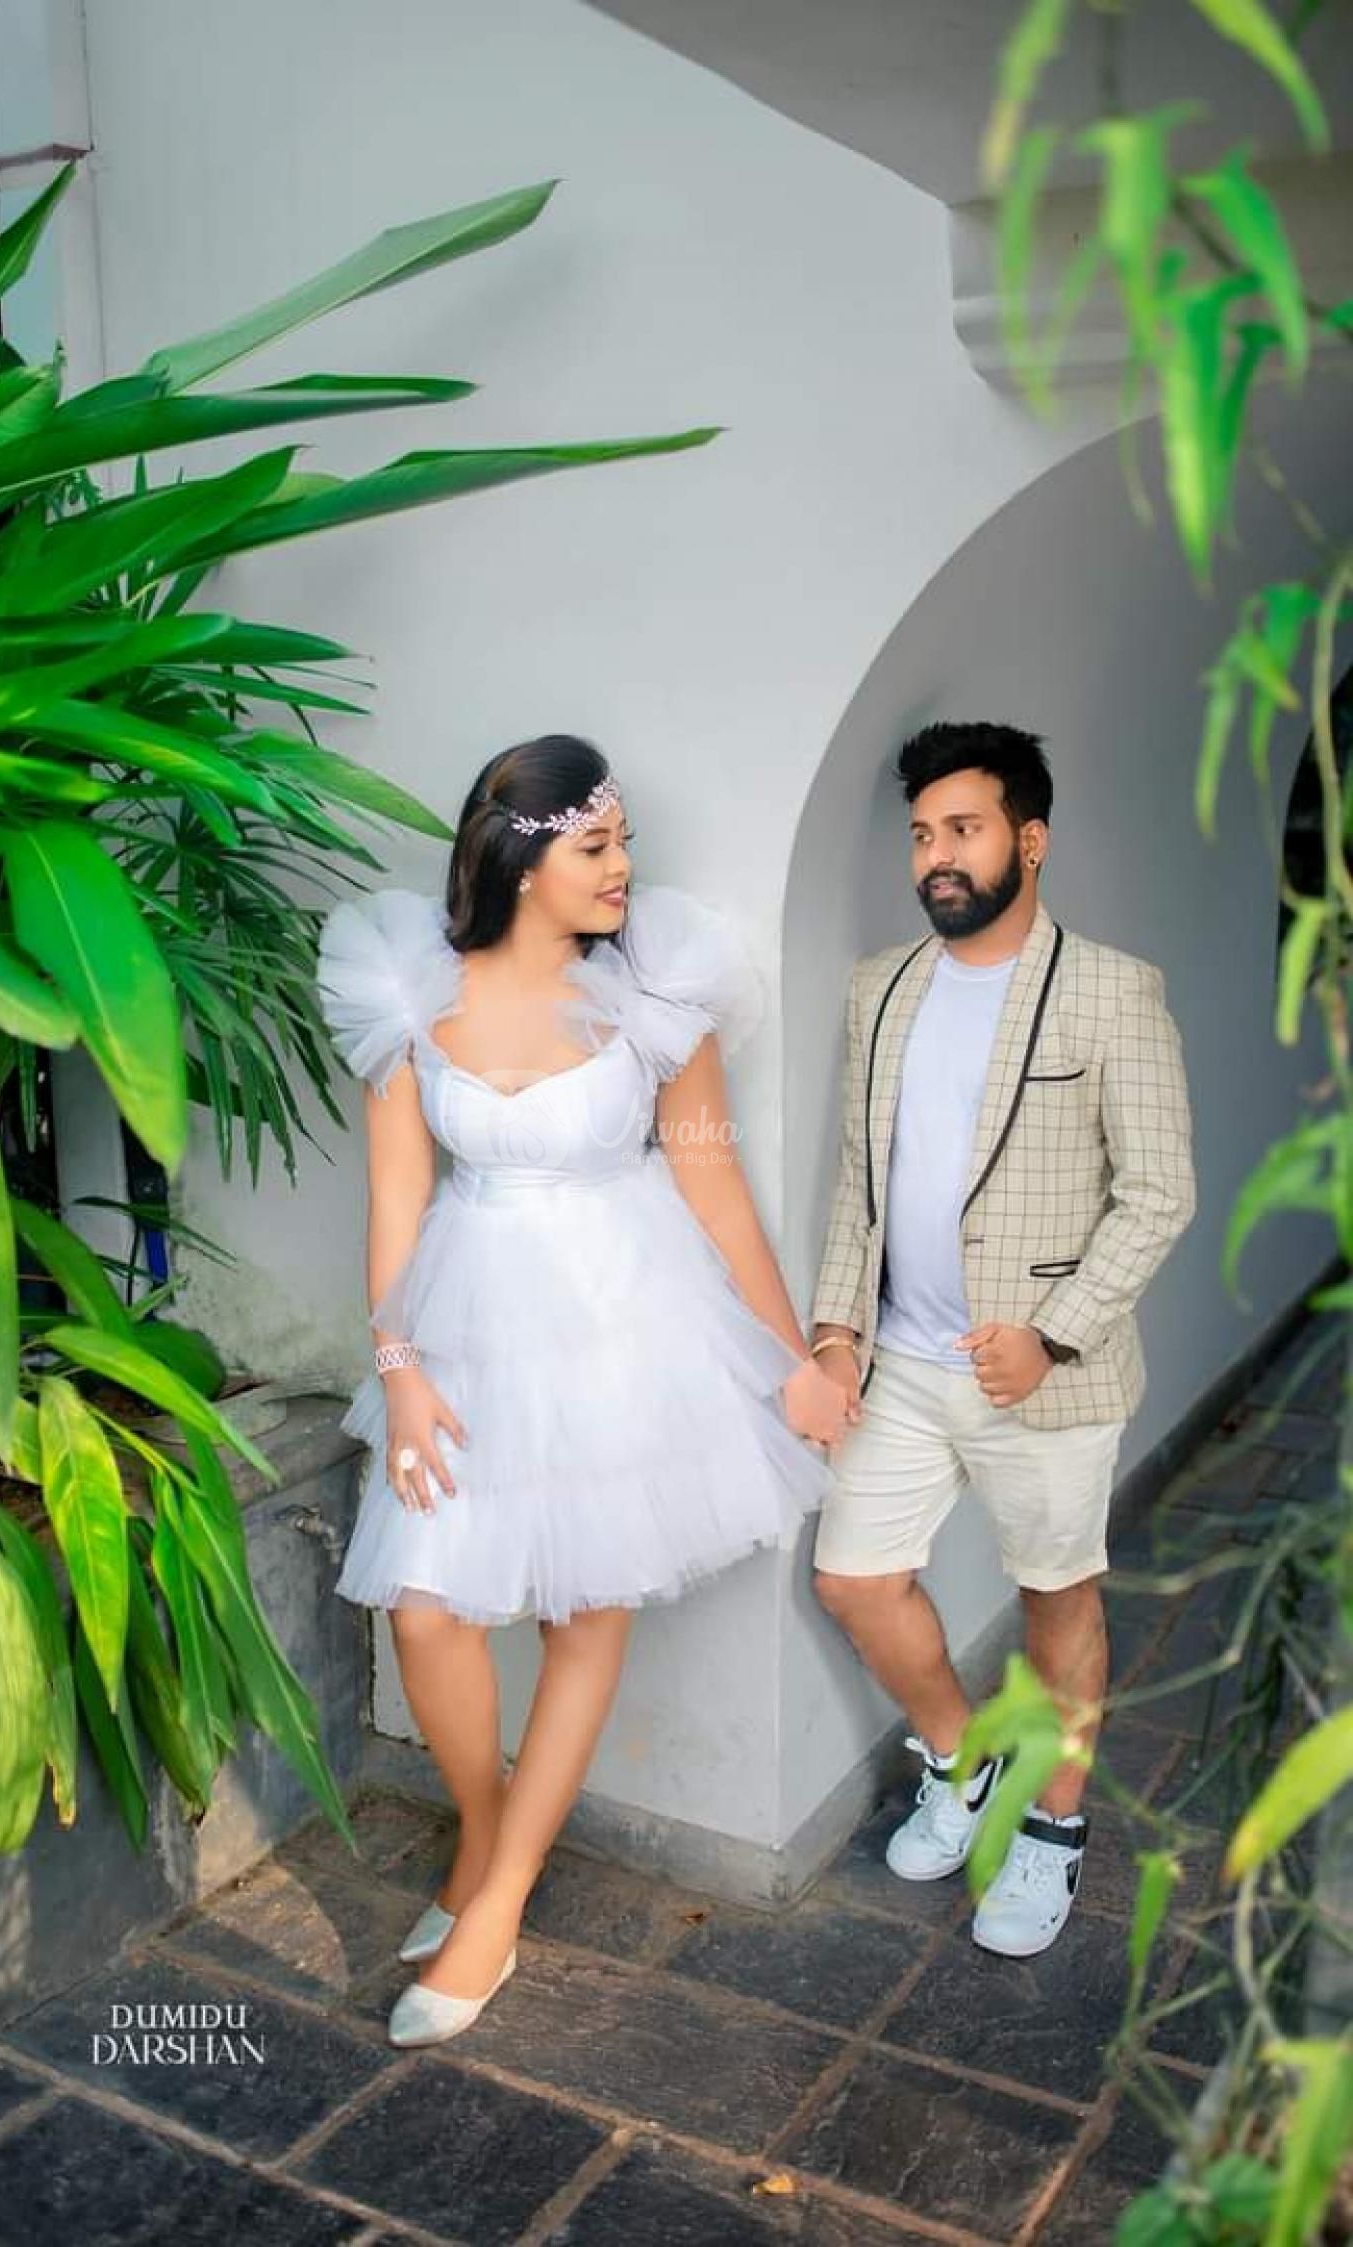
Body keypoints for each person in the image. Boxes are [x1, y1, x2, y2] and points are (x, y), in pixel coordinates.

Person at [317, 734, 851, 2047]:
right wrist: (398, 1370)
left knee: (582, 1611)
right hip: (468, 1323)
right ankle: (488, 1837)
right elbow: (395, 1197)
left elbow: (713, 1182)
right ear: (518, 860)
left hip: (626, 1319)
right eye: (596, 846)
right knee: (427, 1614)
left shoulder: (656, 991)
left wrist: (793, 1360)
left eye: (625, 844)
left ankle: (495, 1899)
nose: (623, 868)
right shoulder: (408, 994)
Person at [809, 721, 1195, 1958]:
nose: (937, 855)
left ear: (1030, 841)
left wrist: (1053, 1336)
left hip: (1043, 1376)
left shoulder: (1113, 989)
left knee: (1056, 1599)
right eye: (923, 834)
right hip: (903, 1364)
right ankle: (965, 1763)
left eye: (963, 829)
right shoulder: (881, 987)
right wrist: (835, 1330)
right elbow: (860, 1183)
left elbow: (1160, 1194)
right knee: (853, 1579)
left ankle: (1052, 1830)